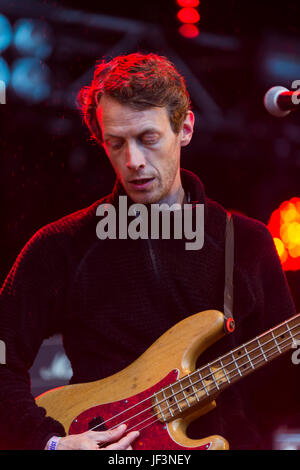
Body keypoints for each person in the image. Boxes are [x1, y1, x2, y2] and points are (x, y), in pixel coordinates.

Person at [0, 52, 298, 450]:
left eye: (148, 138)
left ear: (185, 127)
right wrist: (50, 443)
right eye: (116, 143)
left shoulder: (247, 243)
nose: (133, 161)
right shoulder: (62, 246)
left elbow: (282, 392)